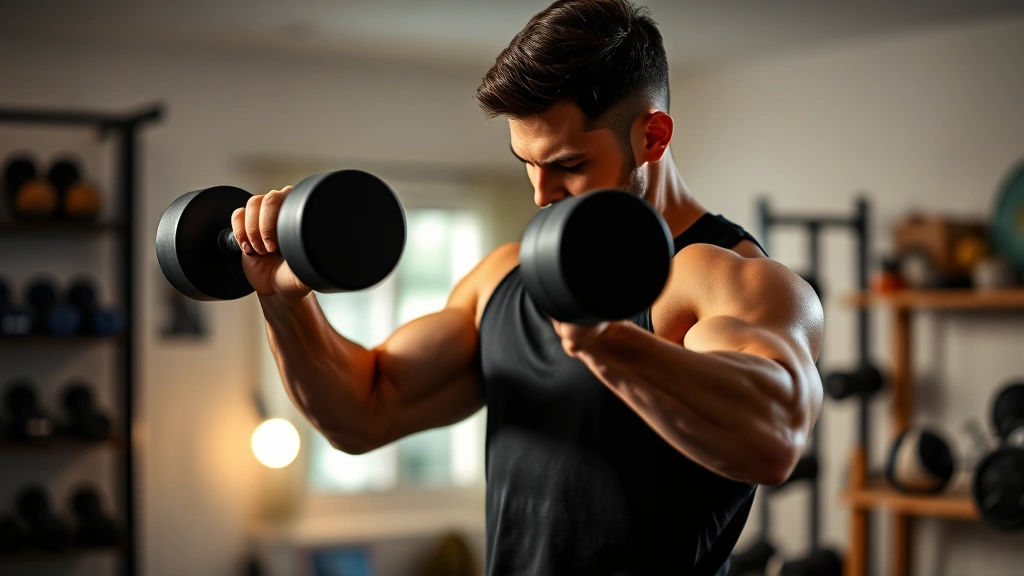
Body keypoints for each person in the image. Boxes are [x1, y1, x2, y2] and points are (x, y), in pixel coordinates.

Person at [231, 0, 824, 574]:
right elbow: (363, 414)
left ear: (653, 137)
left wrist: (607, 343)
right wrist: (286, 301)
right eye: (526, 163)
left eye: (568, 165)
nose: (540, 196)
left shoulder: (716, 277)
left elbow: (773, 438)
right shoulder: (504, 277)